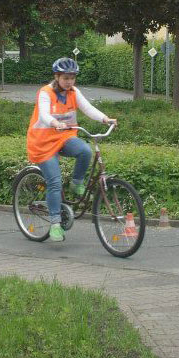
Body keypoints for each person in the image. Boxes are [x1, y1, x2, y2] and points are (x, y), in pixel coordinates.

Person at [26, 57, 116, 242]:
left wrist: (105, 119)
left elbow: (88, 108)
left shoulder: (74, 92)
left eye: (72, 78)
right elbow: (43, 114)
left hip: (64, 137)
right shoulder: (45, 93)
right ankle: (55, 224)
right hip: (43, 143)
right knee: (54, 182)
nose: (69, 82)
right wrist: (53, 122)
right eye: (66, 78)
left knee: (85, 151)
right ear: (57, 76)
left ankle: (76, 184)